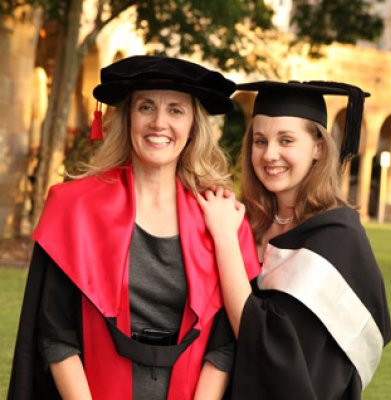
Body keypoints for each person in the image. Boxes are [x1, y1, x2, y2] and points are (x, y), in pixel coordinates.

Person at [7, 56, 261, 400]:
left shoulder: (219, 218)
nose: (159, 123)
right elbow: (56, 334)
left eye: (176, 110)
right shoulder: (75, 209)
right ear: (127, 118)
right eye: (146, 107)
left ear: (193, 126)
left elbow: (223, 345)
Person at [197, 80, 391, 399]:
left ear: (318, 146)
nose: (270, 154)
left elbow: (263, 340)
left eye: (286, 140)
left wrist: (224, 239)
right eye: (260, 141)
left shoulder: (338, 239)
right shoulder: (249, 221)